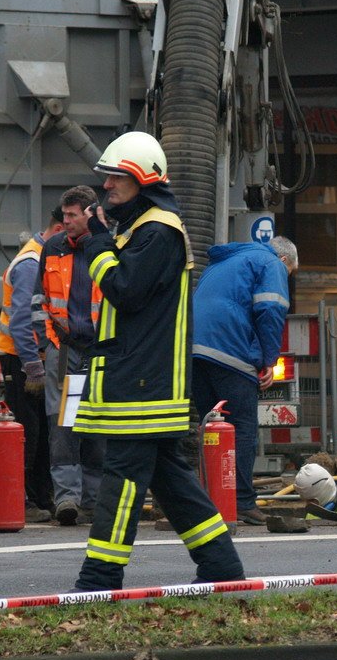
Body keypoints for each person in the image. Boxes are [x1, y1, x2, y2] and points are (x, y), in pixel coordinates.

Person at [70, 131, 244, 590]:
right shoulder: (141, 228)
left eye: (115, 179)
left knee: (122, 481)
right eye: (105, 178)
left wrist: (95, 242)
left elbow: (126, 291)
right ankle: (221, 568)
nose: (106, 187)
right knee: (172, 483)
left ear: (142, 180)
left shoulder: (158, 230)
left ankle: (99, 580)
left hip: (142, 383)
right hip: (140, 378)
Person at [191, 235, 298, 525]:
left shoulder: (225, 261)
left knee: (212, 427)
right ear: (285, 261)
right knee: (242, 429)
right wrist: (268, 360)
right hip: (230, 351)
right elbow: (270, 310)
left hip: (194, 351)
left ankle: (211, 501)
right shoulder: (271, 263)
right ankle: (241, 502)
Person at [32, 185, 106, 526]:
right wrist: (49, 345)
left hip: (99, 353)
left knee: (97, 427)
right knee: (62, 426)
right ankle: (67, 500)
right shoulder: (53, 248)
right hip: (64, 352)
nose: (66, 222)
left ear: (90, 214)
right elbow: (39, 303)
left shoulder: (107, 248)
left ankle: (92, 501)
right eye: (64, 216)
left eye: (73, 215)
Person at [0, 210, 62, 523]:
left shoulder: (40, 257)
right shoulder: (31, 263)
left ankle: (40, 499)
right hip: (20, 358)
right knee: (28, 432)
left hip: (30, 358)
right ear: (60, 228)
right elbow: (22, 322)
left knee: (43, 431)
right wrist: (33, 367)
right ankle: (22, 501)